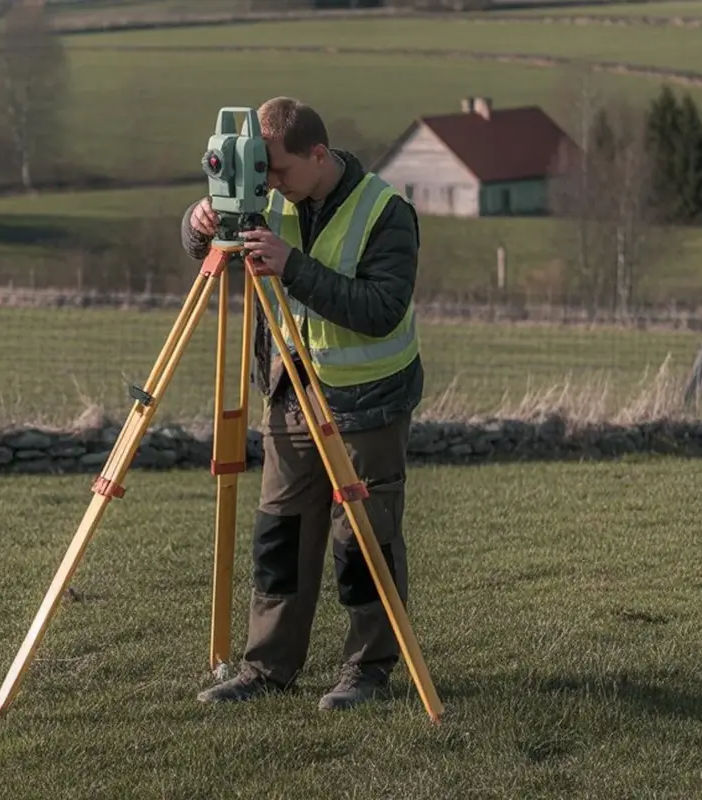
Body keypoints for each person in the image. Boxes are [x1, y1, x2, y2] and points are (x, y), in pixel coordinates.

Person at [179, 96, 424, 711]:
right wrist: (201, 220)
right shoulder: (272, 197)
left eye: (280, 171)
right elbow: (200, 246)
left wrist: (294, 269)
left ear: (319, 155)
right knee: (279, 534)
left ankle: (368, 670)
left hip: (366, 402)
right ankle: (267, 668)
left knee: (362, 540)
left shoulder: (386, 212)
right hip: (290, 392)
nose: (271, 186)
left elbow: (379, 310)